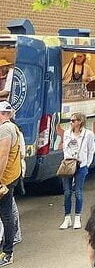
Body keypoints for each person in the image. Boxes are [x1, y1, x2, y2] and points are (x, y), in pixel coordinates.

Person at [59, 111, 95, 230]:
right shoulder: (67, 134)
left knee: (78, 192)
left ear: (80, 122)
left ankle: (77, 217)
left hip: (81, 165)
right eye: (70, 120)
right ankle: (67, 217)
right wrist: (68, 159)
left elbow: (91, 150)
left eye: (73, 120)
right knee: (67, 192)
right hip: (69, 164)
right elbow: (65, 147)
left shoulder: (88, 134)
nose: (71, 122)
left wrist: (87, 164)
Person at [0, 101, 22, 266]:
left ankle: (7, 252)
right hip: (11, 176)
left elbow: (3, 156)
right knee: (7, 214)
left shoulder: (5, 129)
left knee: (6, 215)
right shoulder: (13, 127)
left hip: (5, 179)